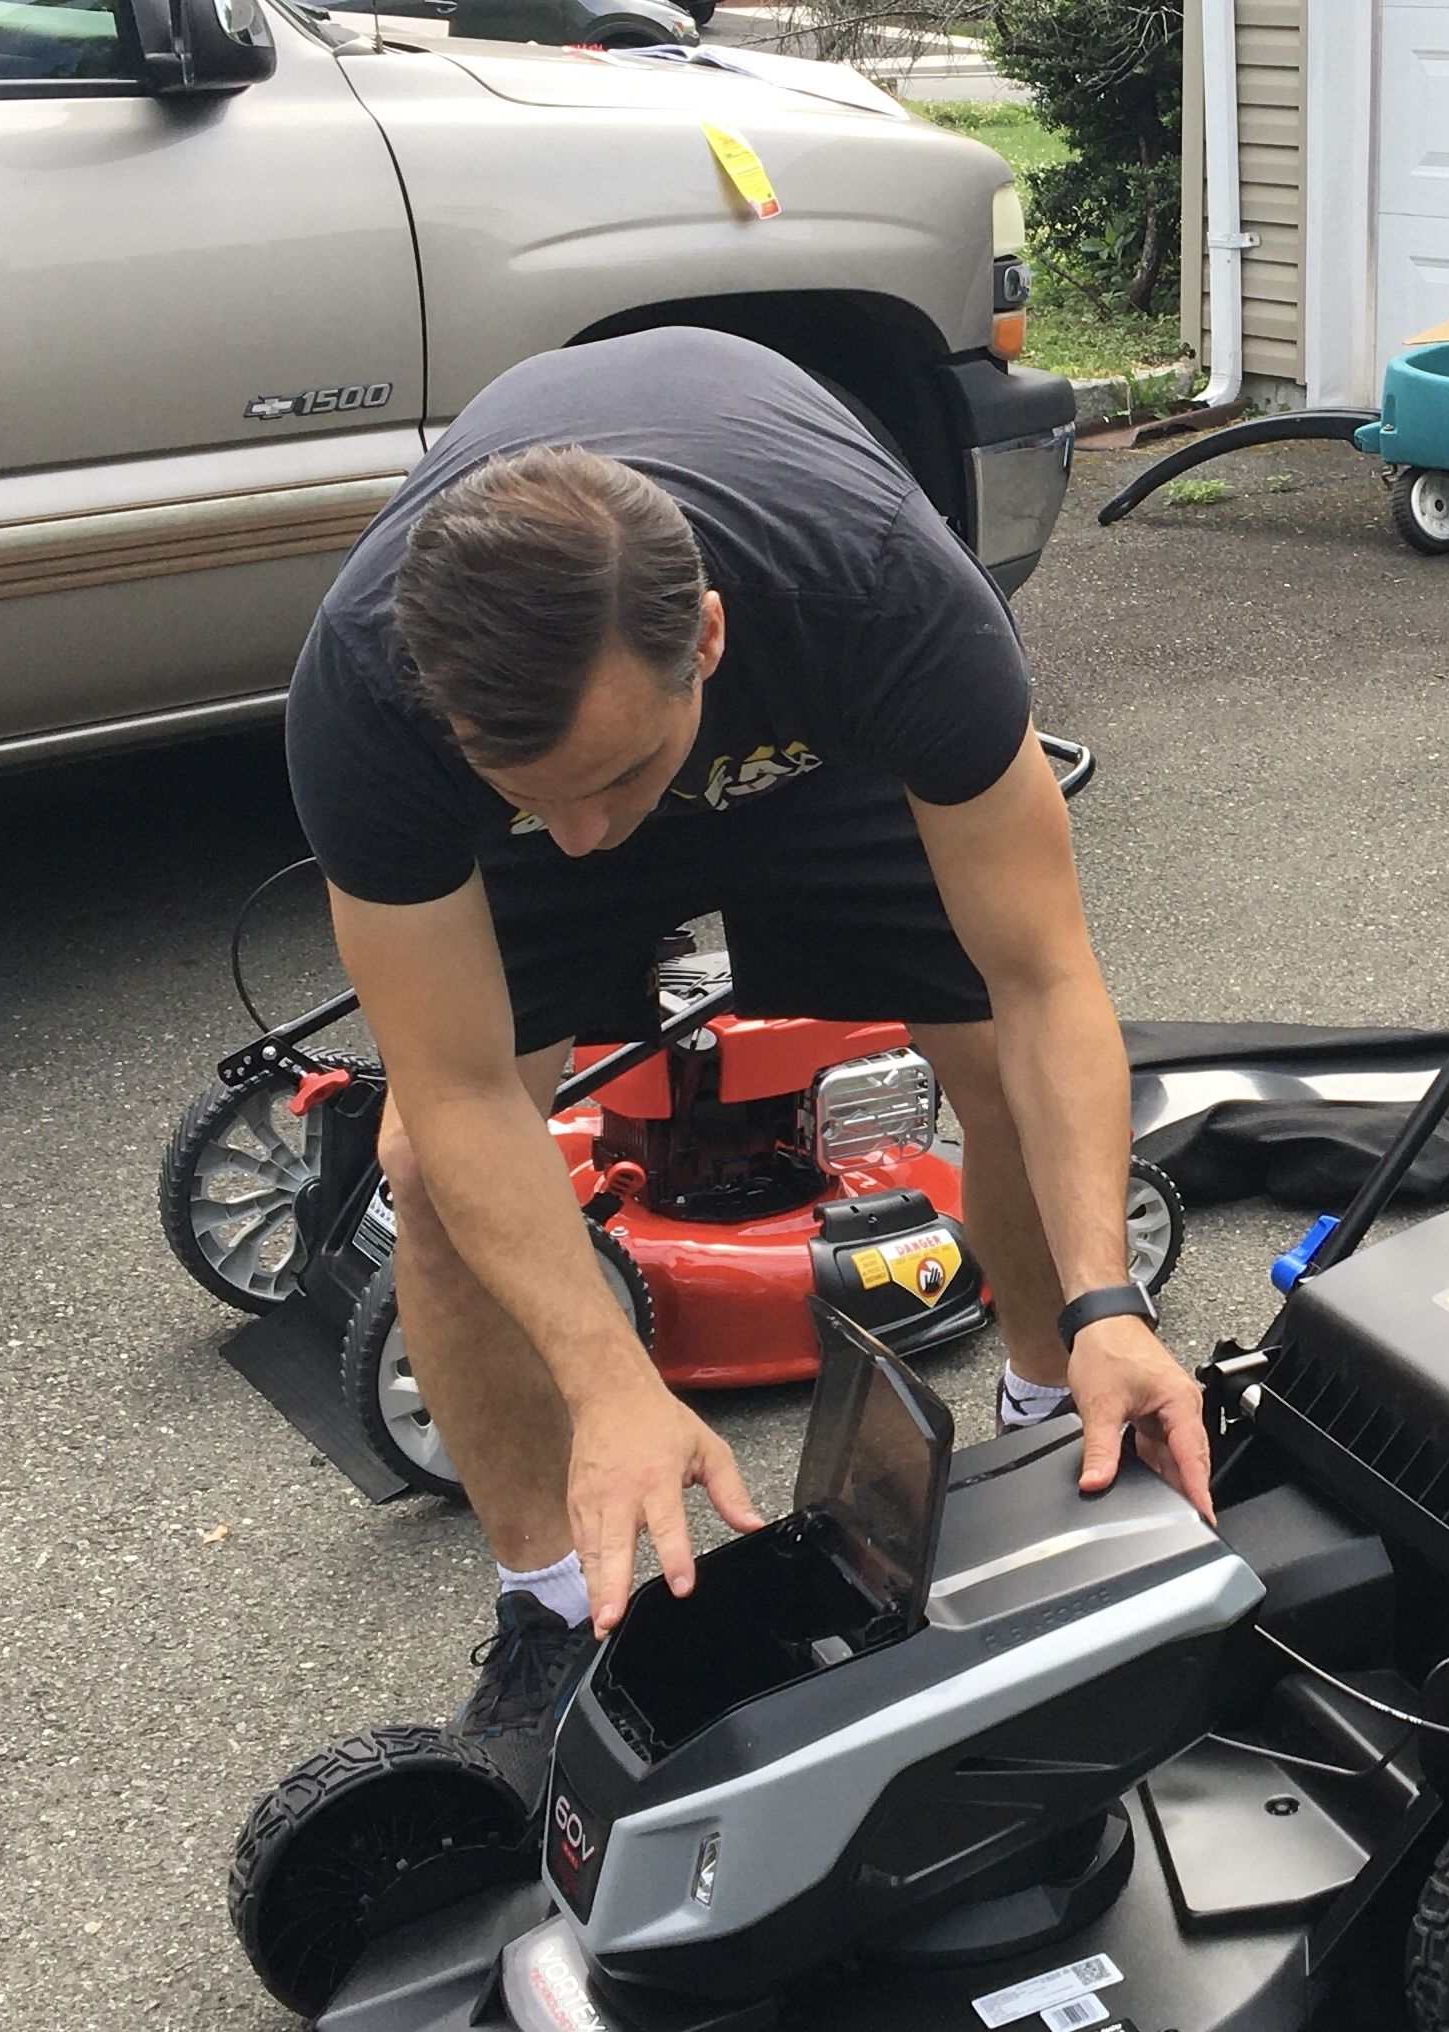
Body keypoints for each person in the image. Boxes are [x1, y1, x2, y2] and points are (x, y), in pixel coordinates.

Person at [284, 328, 1210, 1786]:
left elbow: (1043, 982)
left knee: (989, 1060)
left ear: (706, 638)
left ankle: (1055, 1440)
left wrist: (1108, 1296)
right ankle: (546, 1620)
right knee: (428, 1170)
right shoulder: (368, 694)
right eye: (540, 791)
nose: (599, 841)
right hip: (555, 761)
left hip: (813, 754)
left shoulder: (885, 602)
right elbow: (459, 1093)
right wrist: (607, 1383)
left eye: (619, 785)